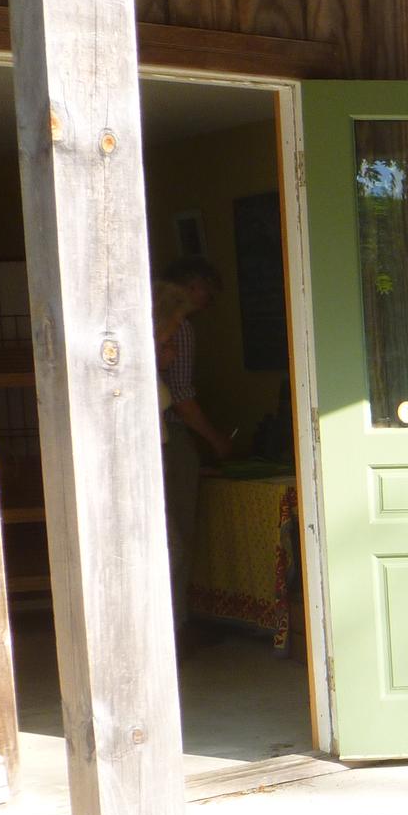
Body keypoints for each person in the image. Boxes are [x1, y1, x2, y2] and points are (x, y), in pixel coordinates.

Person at [155, 256, 236, 652]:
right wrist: (217, 440)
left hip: (167, 436)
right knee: (175, 535)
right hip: (169, 440)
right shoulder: (179, 328)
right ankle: (176, 625)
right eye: (207, 290)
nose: (210, 299)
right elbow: (182, 395)